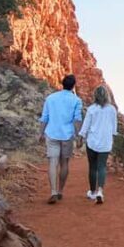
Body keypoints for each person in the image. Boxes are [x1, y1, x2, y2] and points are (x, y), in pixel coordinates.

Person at [39, 74, 83, 204]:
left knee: (53, 162)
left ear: (62, 84)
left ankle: (52, 191)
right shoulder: (76, 100)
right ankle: (60, 191)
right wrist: (79, 136)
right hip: (67, 135)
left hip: (51, 134)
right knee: (64, 163)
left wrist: (41, 133)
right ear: (73, 86)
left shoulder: (50, 98)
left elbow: (44, 117)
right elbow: (77, 119)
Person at [78, 85, 117, 205]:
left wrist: (81, 136)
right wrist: (112, 138)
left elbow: (86, 125)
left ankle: (93, 192)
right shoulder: (112, 109)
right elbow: (114, 127)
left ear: (95, 95)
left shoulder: (92, 109)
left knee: (93, 167)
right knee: (102, 166)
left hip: (92, 141)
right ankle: (100, 191)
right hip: (105, 142)